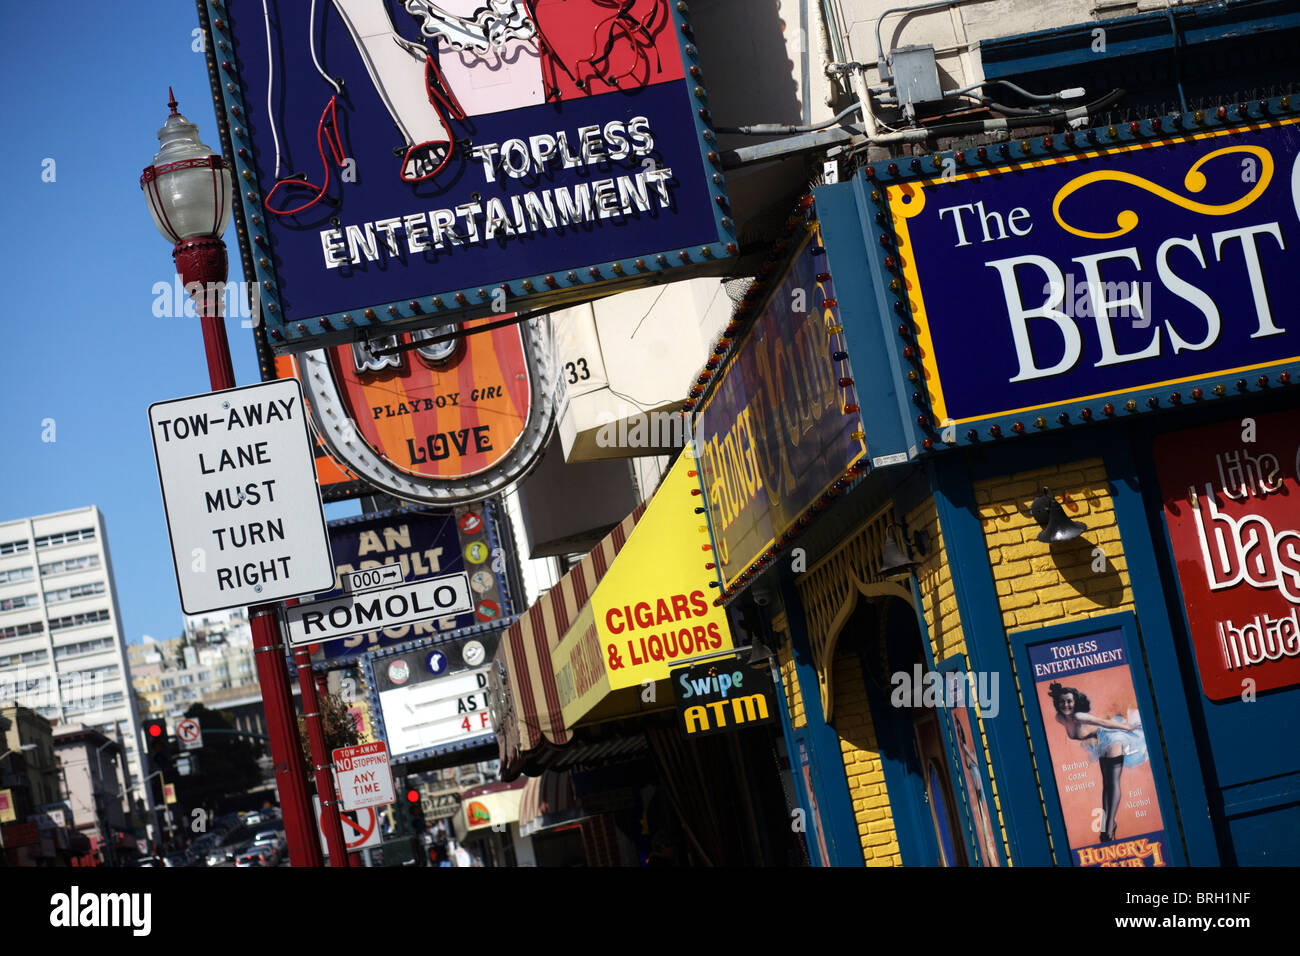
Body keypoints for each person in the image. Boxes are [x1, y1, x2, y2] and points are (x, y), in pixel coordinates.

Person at [1048, 682, 1147, 843]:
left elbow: (1103, 723)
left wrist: (1127, 728)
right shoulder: (1060, 718)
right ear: (1057, 703)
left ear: (1075, 702)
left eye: (1069, 701)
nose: (1066, 704)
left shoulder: (1079, 716)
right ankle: (1108, 824)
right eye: (1062, 701)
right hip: (1100, 741)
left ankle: (1108, 828)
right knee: (1106, 785)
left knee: (1112, 783)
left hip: (1112, 736)